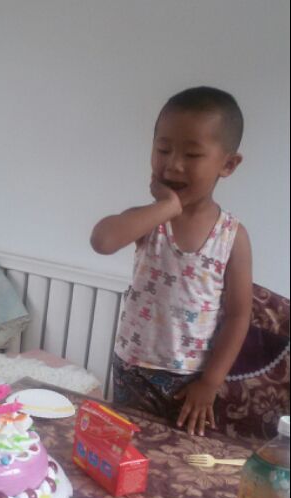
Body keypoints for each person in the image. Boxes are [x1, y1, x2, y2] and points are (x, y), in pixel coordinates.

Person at [91, 86, 253, 437]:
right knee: (127, 449)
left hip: (191, 379)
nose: (173, 164)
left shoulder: (232, 236)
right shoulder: (150, 220)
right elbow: (102, 241)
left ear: (228, 164)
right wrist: (166, 207)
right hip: (132, 367)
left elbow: (239, 315)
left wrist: (211, 382)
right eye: (163, 149)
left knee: (178, 456)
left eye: (192, 154)